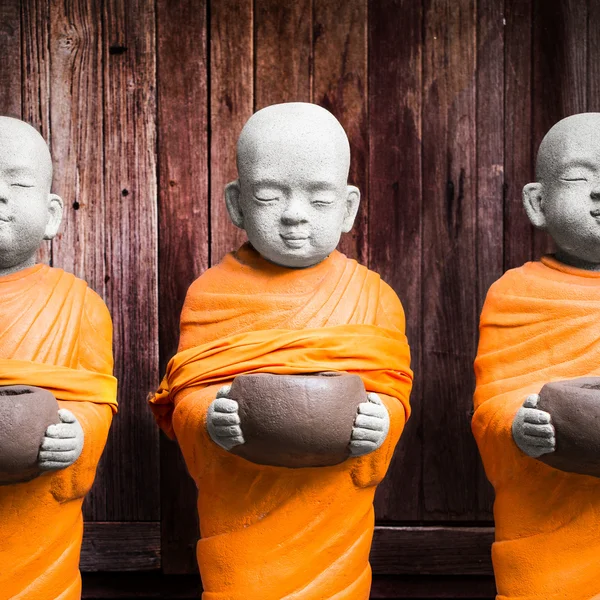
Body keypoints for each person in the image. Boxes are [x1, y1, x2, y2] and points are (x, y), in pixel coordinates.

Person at [150, 103, 412, 600]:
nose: (294, 215)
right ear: (237, 204)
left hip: (333, 520)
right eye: (270, 196)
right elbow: (185, 399)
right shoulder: (210, 294)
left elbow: (392, 392)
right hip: (242, 514)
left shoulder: (374, 297)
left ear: (349, 207)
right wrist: (212, 417)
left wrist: (381, 420)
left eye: (319, 199)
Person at [473, 113, 600, 599]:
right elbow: (491, 406)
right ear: (537, 202)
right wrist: (519, 425)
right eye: (577, 179)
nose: (597, 193)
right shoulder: (515, 295)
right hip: (546, 522)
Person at [0, 117, 117, 599]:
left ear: (51, 215)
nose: (0, 196)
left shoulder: (79, 305)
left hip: (37, 520)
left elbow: (94, 400)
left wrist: (76, 435)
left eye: (17, 184)